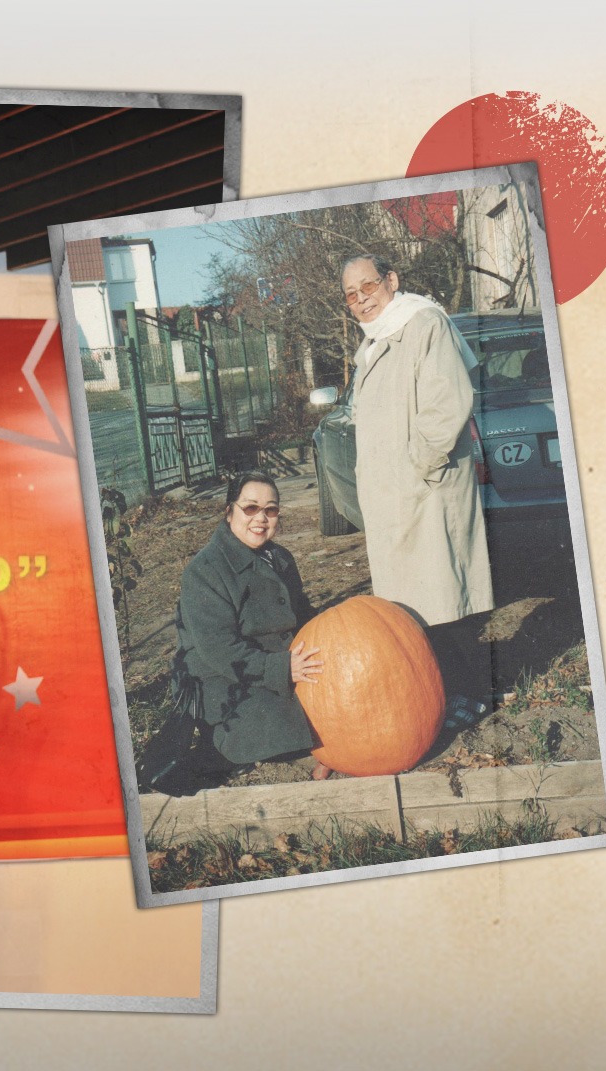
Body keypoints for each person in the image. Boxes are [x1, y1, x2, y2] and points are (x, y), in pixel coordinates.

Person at [340, 253, 494, 627]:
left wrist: (418, 469)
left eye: (368, 285)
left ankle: (462, 668)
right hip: (393, 499)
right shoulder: (372, 343)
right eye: (351, 294)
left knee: (445, 603)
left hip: (426, 491)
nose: (361, 298)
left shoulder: (425, 324)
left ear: (391, 281)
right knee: (411, 612)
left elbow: (447, 405)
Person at [172, 473, 329, 779]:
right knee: (279, 724)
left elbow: (301, 613)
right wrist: (281, 669)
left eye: (271, 510)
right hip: (225, 676)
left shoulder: (281, 558)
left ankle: (323, 747)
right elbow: (219, 649)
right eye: (250, 508)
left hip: (278, 661)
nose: (261, 518)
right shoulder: (205, 571)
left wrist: (332, 628)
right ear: (229, 512)